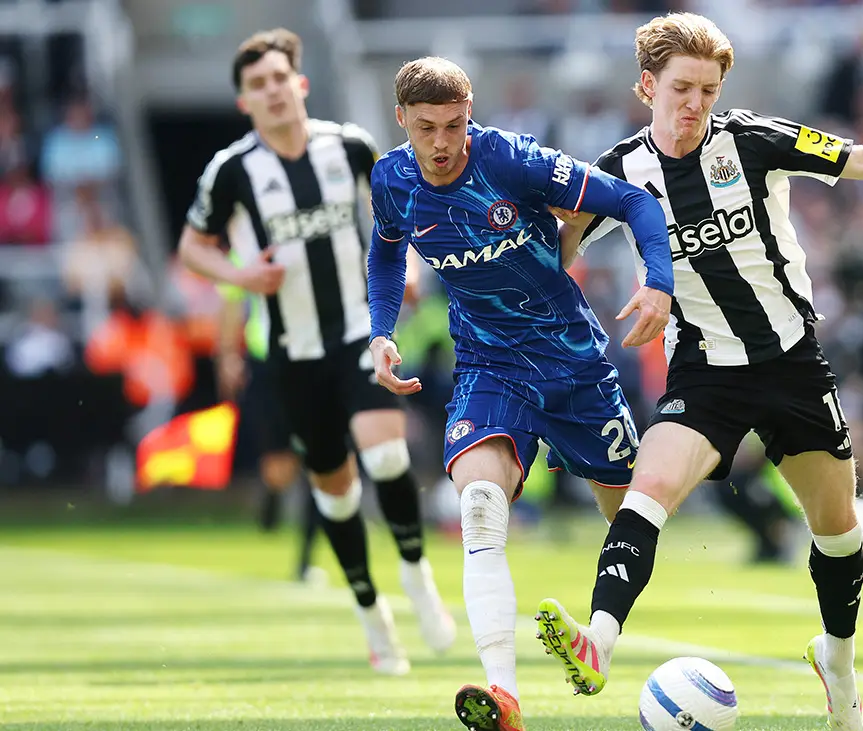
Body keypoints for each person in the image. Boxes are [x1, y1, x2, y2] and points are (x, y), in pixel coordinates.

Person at [535, 12, 863, 731]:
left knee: (838, 531)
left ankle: (838, 661)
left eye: (708, 90)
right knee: (648, 493)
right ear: (647, 86)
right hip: (705, 372)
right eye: (681, 88)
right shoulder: (616, 172)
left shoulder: (752, 140)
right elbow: (558, 249)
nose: (695, 104)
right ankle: (600, 641)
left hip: (792, 363)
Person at [366, 57, 674, 731]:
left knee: (632, 515)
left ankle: (599, 639)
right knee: (479, 507)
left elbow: (634, 201)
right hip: (489, 366)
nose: (442, 142)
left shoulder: (510, 160)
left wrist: (658, 281)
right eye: (426, 128)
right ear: (401, 120)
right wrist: (381, 330)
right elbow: (386, 250)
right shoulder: (391, 179)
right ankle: (503, 696)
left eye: (454, 125)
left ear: (470, 113)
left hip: (573, 366)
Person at [177, 28, 456, 675]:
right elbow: (192, 247)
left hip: (360, 331)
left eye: (280, 78)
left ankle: (416, 574)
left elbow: (398, 212)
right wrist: (242, 276)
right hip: (290, 352)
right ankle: (371, 612)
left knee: (387, 454)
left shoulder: (349, 145)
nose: (273, 91)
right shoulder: (232, 171)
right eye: (258, 85)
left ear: (299, 84)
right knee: (335, 490)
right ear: (245, 102)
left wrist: (411, 267)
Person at [214, 254, 320, 579]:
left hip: (317, 358)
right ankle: (273, 493)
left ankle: (305, 561)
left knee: (322, 461)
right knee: (279, 469)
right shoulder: (247, 245)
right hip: (267, 361)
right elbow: (232, 299)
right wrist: (228, 355)